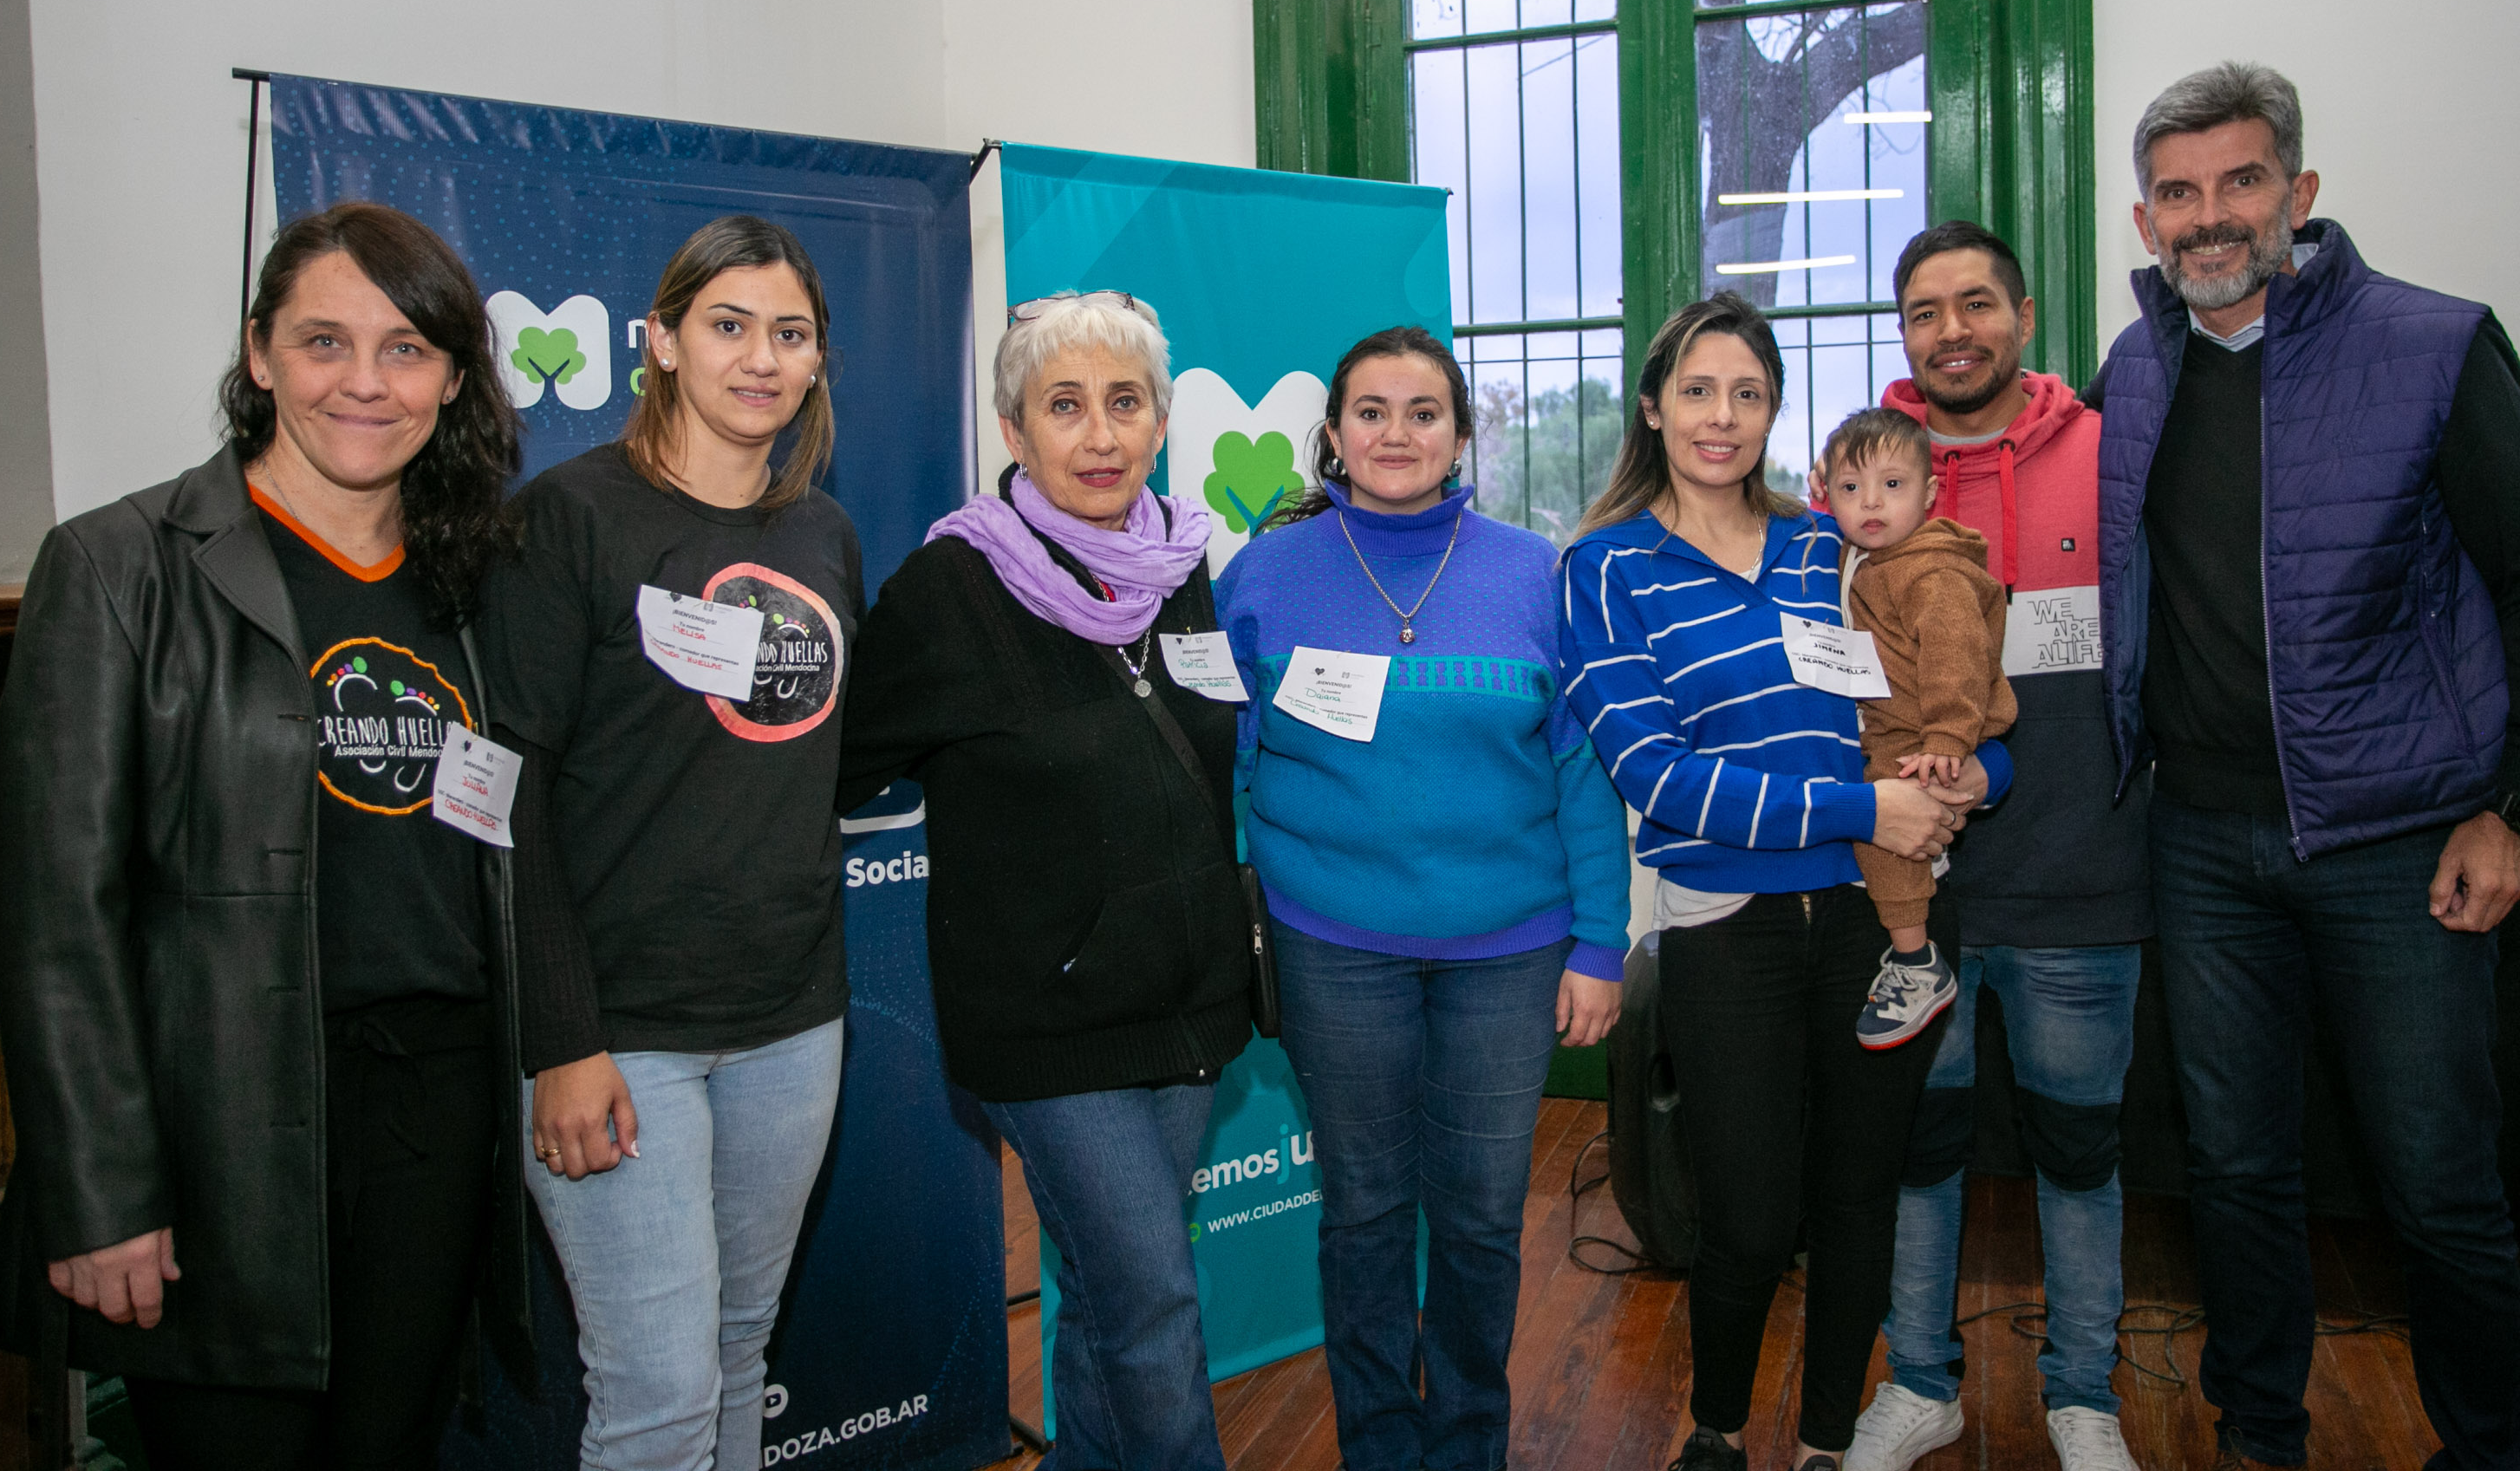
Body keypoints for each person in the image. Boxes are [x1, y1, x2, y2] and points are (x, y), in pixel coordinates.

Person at [2100, 62, 2520, 1471]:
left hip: (2399, 845)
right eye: (2179, 192)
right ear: (2145, 218)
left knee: (2438, 1183)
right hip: (2202, 844)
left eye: (2240, 181)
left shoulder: (2432, 345)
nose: (2209, 215)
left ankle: (2489, 1451)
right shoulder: (2136, 368)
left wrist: (2511, 806)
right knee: (2235, 1169)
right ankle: (2260, 1433)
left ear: (2299, 193)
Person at [0, 204, 531, 1469]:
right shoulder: (121, 566)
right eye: (324, 341)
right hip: (217, 1129)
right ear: (259, 353)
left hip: (435, 1115)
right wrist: (101, 1189)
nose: (365, 382)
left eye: (406, 349)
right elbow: (58, 915)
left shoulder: (475, 580)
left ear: (454, 378)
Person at [1560, 296, 2006, 1471]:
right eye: (1698, 390)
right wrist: (1865, 809)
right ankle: (1714, 1429)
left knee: (1858, 1201)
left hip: (1880, 917)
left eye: (1748, 394)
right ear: (1653, 407)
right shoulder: (1605, 568)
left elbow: (1947, 687)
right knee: (1748, 1217)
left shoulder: (1831, 546)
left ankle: (1825, 1442)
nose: (1722, 416)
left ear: (1774, 414)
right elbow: (1657, 776)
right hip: (1727, 929)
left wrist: (1978, 774)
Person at [836, 290, 1251, 1471]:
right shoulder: (951, 589)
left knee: (1110, 1292)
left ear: (1160, 421)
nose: (1100, 435)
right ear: (1015, 430)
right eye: (1064, 406)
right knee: (1153, 1300)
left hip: (1186, 1006)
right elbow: (832, 764)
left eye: (1125, 403)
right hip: (1046, 1022)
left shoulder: (1182, 563)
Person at [478, 215, 862, 1471]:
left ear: (817, 360)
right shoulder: (569, 518)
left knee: (740, 1352)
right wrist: (560, 1039)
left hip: (790, 1020)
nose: (761, 358)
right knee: (655, 1396)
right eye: (728, 325)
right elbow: (508, 796)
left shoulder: (823, 534)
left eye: (789, 333)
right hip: (620, 1031)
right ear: (662, 341)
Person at [1212, 326, 1630, 1471]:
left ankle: (1468, 1443)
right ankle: (1382, 1446)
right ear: (1333, 434)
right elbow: (1218, 760)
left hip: (1513, 950)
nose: (1397, 433)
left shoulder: (1534, 571)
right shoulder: (1264, 574)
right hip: (1330, 945)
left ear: (1460, 433)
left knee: (1483, 1215)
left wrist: (1602, 941)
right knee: (1364, 1210)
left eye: (1424, 412)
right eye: (1372, 411)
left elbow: (1583, 770)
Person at [1845, 222, 2149, 1471]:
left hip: (2085, 879)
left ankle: (2083, 1395)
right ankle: (1919, 1382)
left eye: (1977, 303)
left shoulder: (2110, 452)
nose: (1952, 330)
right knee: (1918, 1154)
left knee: (2080, 1155)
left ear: (2024, 316)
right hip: (1921, 900)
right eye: (1925, 311)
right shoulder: (1864, 485)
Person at [1816, 407, 2015, 1048]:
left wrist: (1949, 739)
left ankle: (1915, 959)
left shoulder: (1931, 569)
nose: (1871, 502)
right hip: (1893, 724)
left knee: (1883, 826)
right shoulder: (1861, 558)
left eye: (1893, 485)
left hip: (1923, 735)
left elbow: (1958, 658)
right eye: (1851, 488)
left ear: (1929, 494)